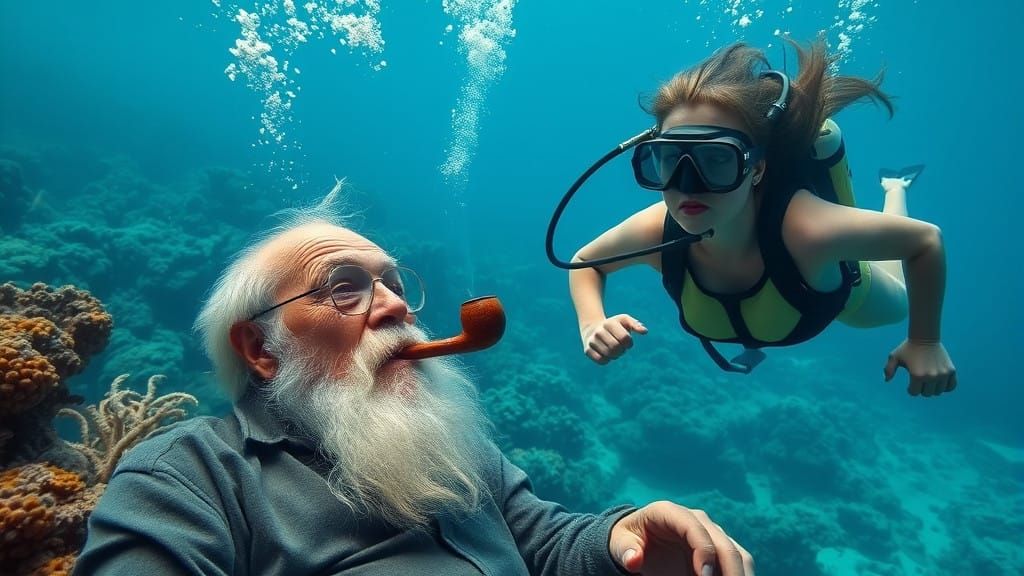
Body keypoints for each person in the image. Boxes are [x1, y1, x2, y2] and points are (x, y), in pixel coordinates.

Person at [74, 185, 755, 576]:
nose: (397, 306)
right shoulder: (189, 477)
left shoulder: (451, 446)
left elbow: (539, 541)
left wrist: (622, 539)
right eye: (344, 289)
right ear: (259, 348)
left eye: (395, 285)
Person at [567, 38, 956, 397]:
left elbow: (924, 241)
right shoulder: (657, 229)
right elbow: (585, 262)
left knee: (898, 298)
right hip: (763, 312)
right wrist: (591, 323)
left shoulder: (807, 232)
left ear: (756, 169)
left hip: (846, 297)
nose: (686, 186)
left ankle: (895, 187)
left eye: (718, 160)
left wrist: (925, 341)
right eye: (668, 160)